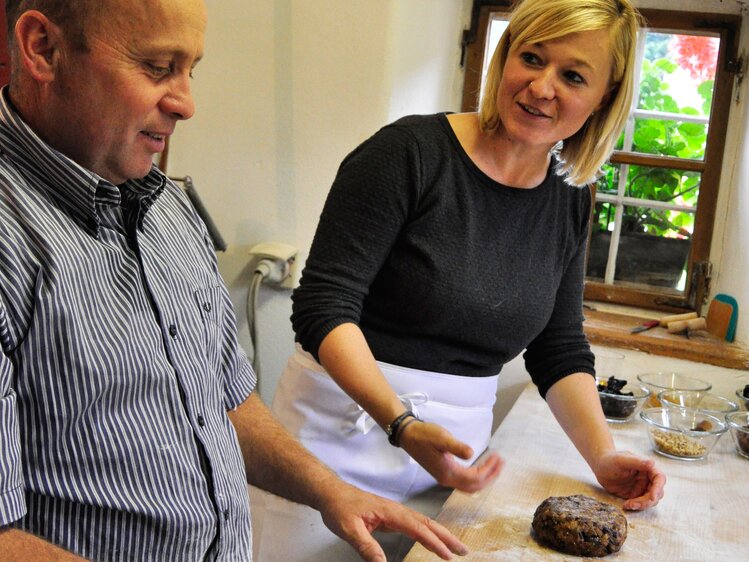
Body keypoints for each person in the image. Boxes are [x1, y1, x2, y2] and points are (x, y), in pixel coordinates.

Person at [0, 1, 472, 561]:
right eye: (157, 67)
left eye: (190, 69)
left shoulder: (168, 209)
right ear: (42, 49)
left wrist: (332, 492)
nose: (186, 103)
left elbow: (223, 401)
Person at [251, 0, 667, 559]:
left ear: (605, 99)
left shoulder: (570, 199)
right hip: (335, 448)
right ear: (504, 56)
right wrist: (402, 424)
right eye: (531, 57)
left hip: (450, 467)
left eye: (572, 76)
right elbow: (324, 306)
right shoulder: (408, 154)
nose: (541, 86)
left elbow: (559, 347)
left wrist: (603, 457)